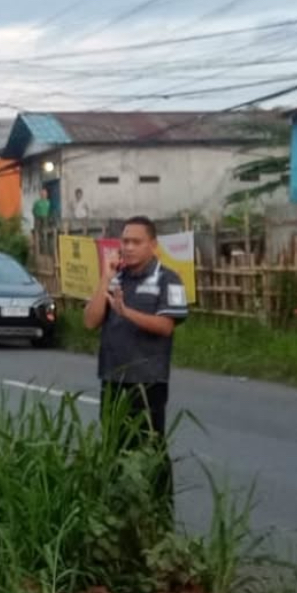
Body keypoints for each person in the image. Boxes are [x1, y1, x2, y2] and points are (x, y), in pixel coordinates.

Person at [83, 216, 188, 512]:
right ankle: (120, 514)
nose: (128, 247)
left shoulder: (167, 279)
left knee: (150, 451)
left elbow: (166, 326)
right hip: (112, 379)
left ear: (152, 245)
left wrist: (126, 312)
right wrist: (105, 277)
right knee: (115, 449)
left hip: (147, 382)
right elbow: (90, 321)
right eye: (124, 241)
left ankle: (158, 517)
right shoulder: (117, 279)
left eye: (136, 242)